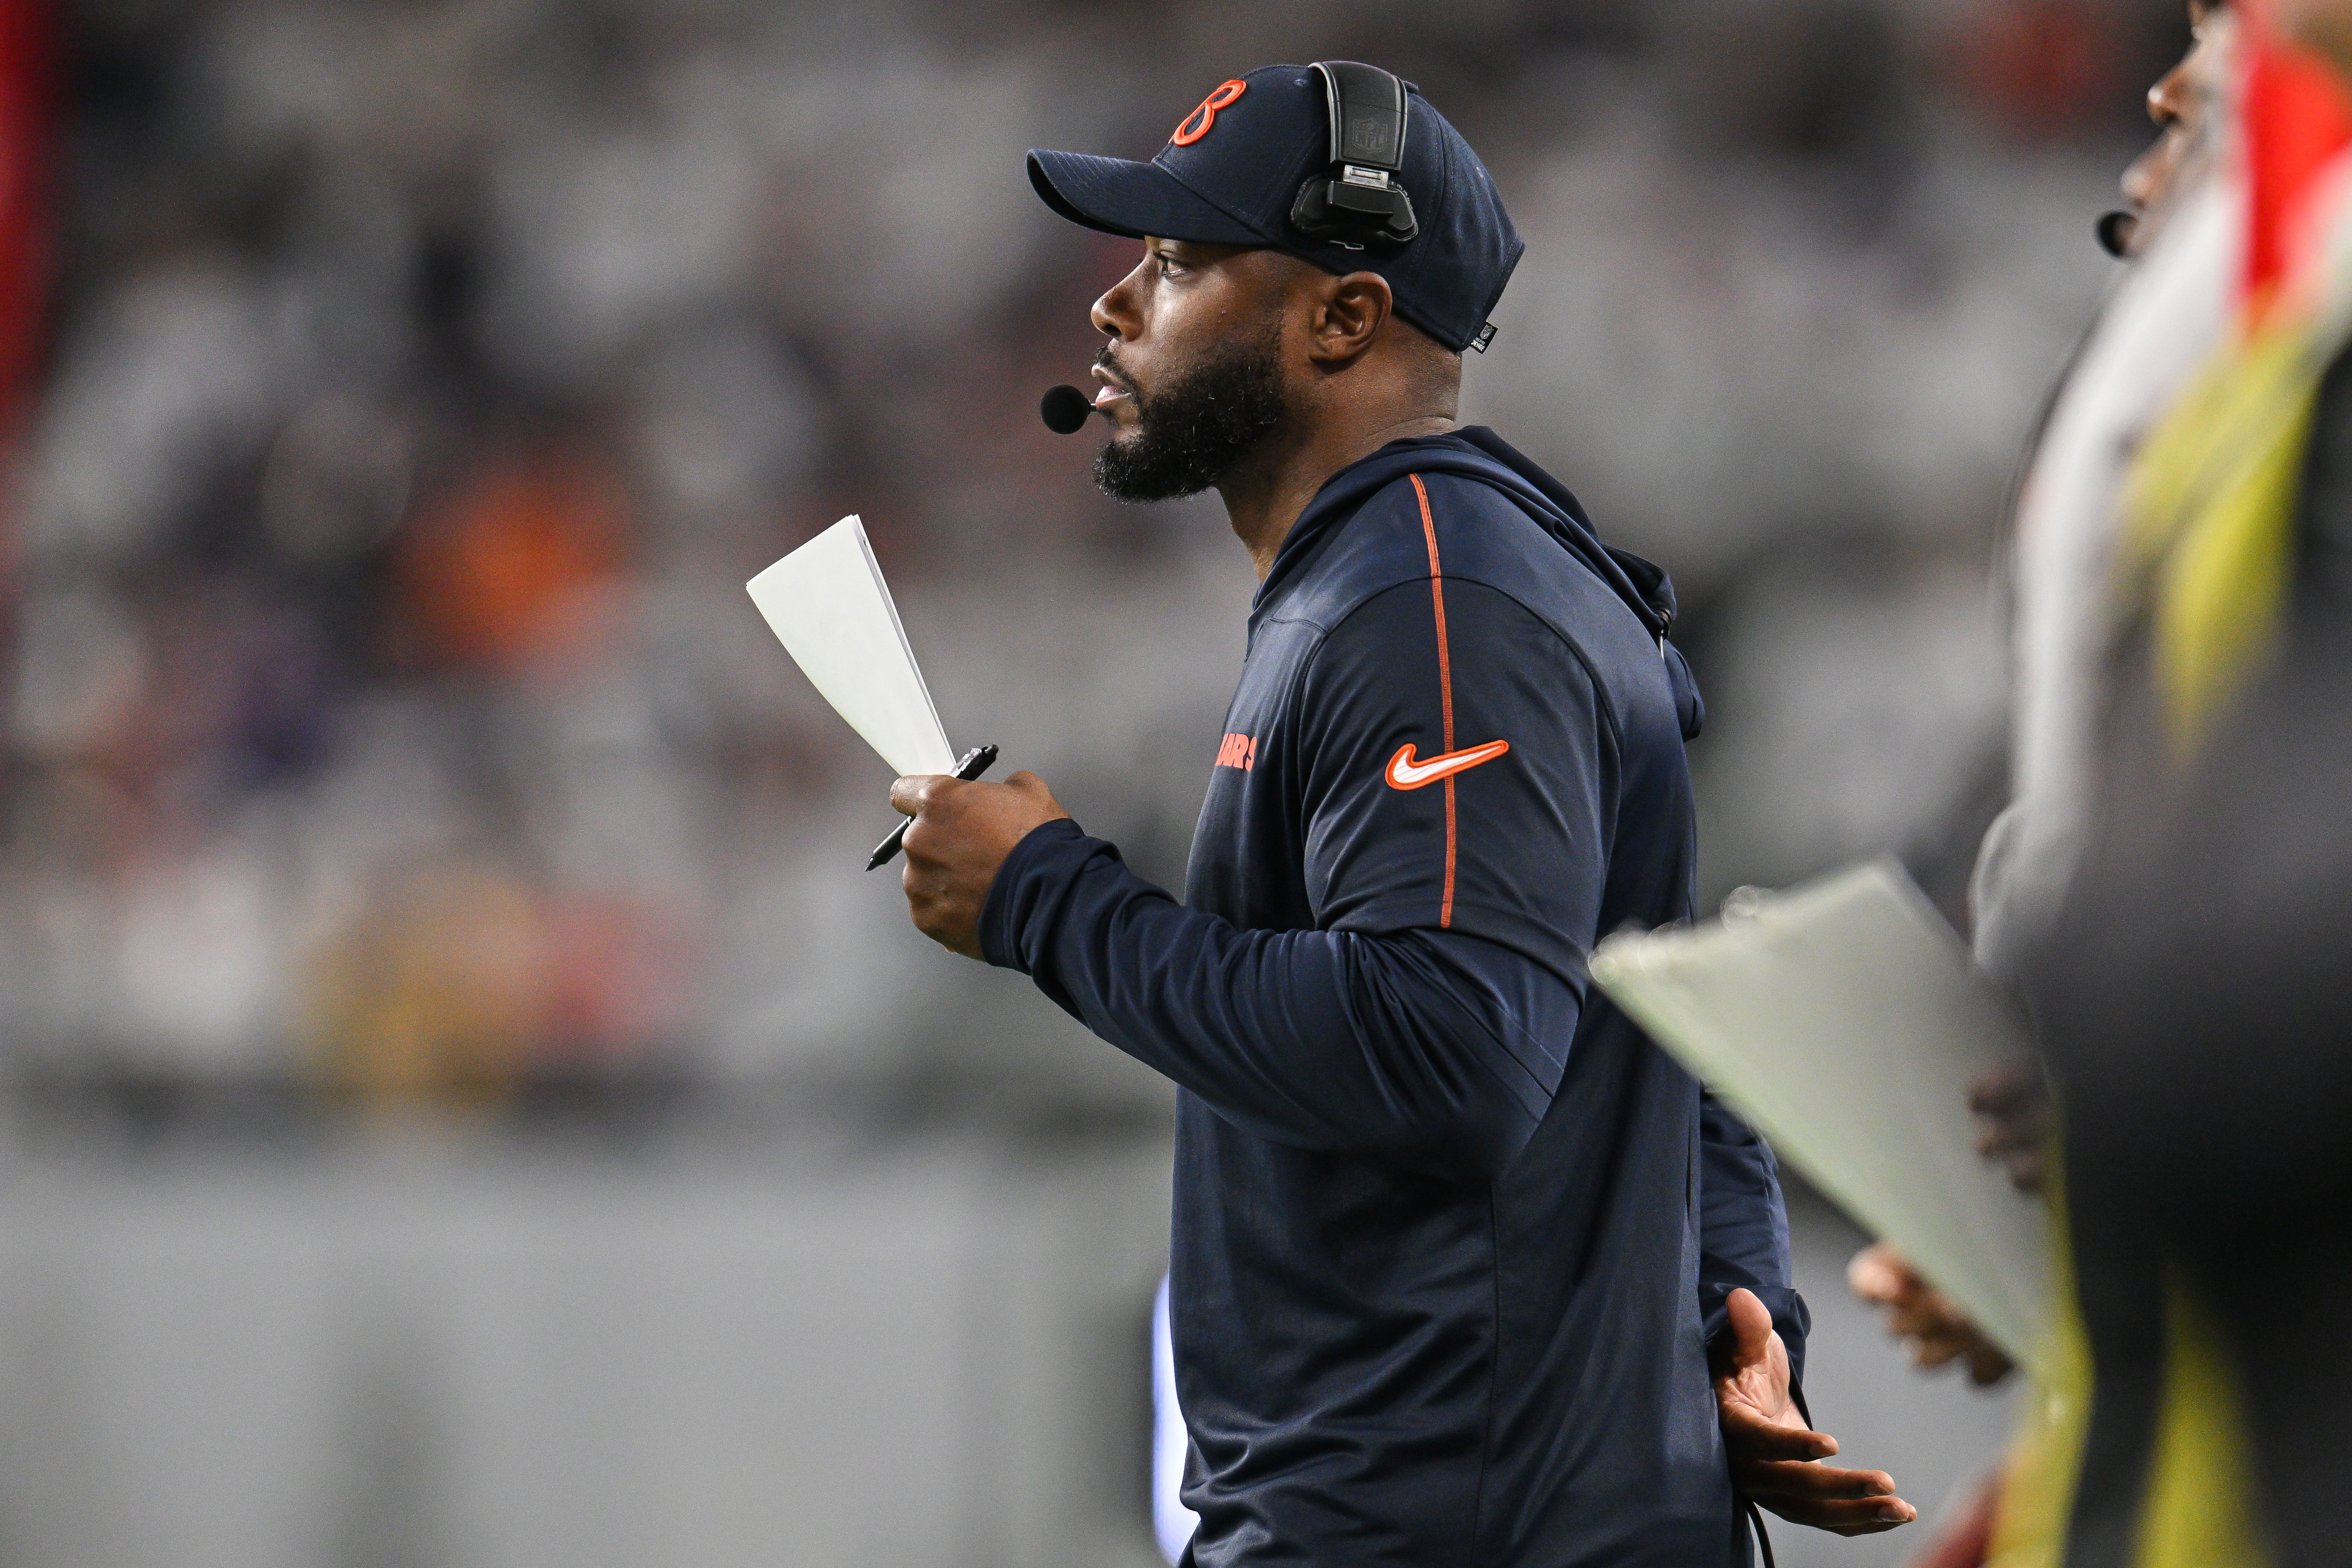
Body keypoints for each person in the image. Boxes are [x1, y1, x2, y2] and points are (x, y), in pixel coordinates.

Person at [886, 62, 1914, 1566]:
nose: (1114, 307)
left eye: (1176, 264)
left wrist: (1046, 901)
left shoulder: (1430, 595)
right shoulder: (1425, 571)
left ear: (1343, 317)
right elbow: (1671, 1027)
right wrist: (1737, 1323)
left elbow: (1450, 1044)